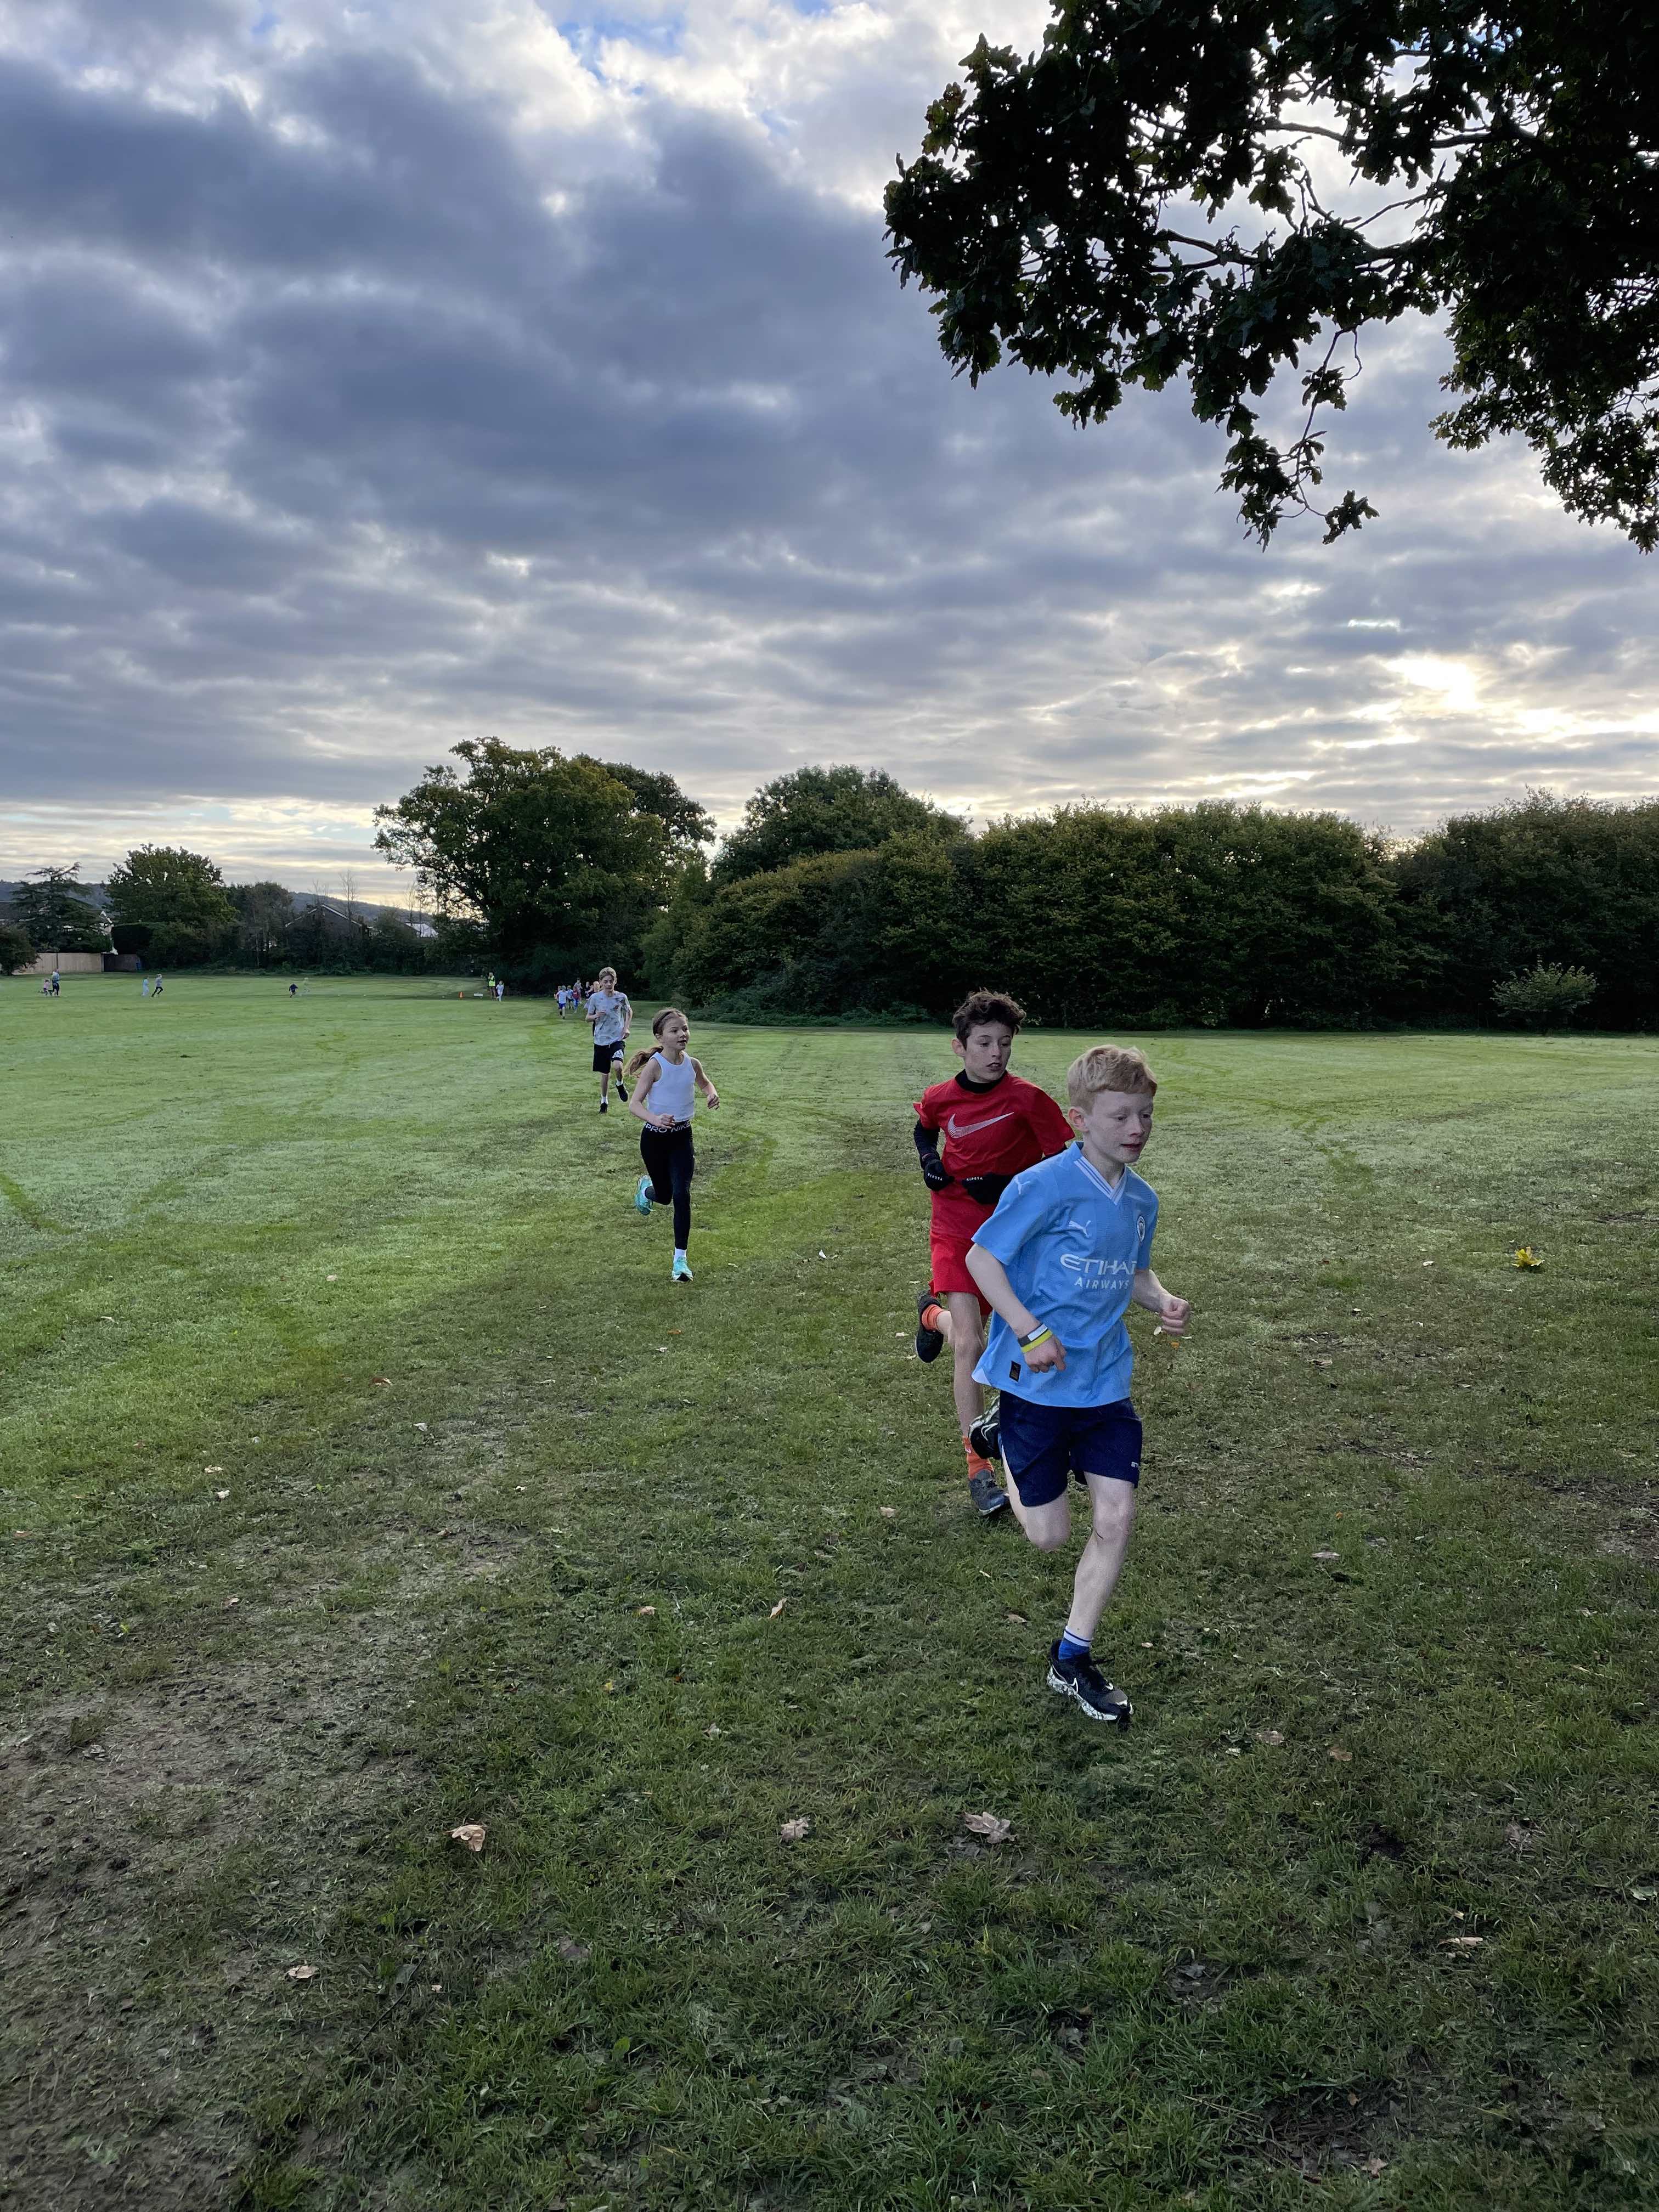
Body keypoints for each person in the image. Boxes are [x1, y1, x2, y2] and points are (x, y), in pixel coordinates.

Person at [964, 1043, 1189, 1724]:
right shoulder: (1043, 1186)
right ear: (1079, 1119)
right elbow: (982, 1259)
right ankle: (1000, 1433)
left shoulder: (1143, 1200)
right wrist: (1030, 1331)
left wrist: (1165, 1300)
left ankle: (1073, 1658)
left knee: (1116, 1518)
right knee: (1048, 1539)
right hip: (1037, 1387)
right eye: (1120, 1116)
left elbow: (1136, 1274)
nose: (1137, 1129)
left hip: (1105, 1385)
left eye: (1146, 1115)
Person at [911, 991, 1073, 1518]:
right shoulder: (941, 1095)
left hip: (1014, 1238)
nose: (996, 1053)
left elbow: (1064, 1160)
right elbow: (925, 1126)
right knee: (972, 1345)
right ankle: (978, 1470)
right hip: (956, 1229)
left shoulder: (1028, 1099)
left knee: (1003, 1339)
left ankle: (930, 1315)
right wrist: (928, 1158)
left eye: (1004, 1043)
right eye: (984, 1043)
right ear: (960, 1047)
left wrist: (1007, 1184)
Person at [624, 1008, 719, 1283]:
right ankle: (647, 1190)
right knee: (664, 1196)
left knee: (682, 1195)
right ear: (660, 1036)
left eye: (685, 1029)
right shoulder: (655, 1066)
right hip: (654, 1139)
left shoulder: (692, 1063)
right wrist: (655, 1118)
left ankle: (680, 1261)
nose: (682, 1035)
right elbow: (634, 1105)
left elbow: (704, 1084)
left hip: (682, 1138)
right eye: (675, 1031)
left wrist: (712, 1094)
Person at [585, 967, 633, 1113]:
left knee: (618, 1066)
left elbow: (629, 1012)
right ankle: (604, 1102)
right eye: (605, 981)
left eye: (611, 981)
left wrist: (626, 1028)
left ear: (615, 981)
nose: (608, 984)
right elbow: (587, 1018)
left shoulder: (621, 997)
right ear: (600, 982)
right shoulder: (595, 998)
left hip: (616, 1038)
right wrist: (596, 1016)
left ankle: (620, 1083)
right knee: (605, 1074)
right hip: (600, 1040)